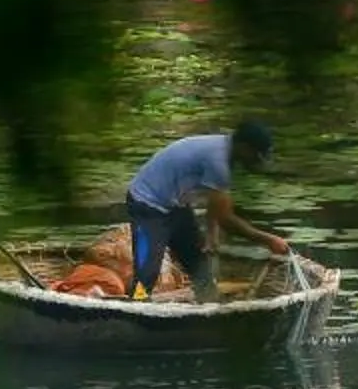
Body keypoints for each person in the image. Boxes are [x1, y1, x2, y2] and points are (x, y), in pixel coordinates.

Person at [122, 119, 289, 302]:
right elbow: (226, 219)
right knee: (146, 273)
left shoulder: (225, 150)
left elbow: (215, 202)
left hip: (176, 205)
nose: (256, 163)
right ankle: (137, 306)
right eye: (256, 156)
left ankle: (209, 303)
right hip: (147, 204)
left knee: (198, 264)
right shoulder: (218, 162)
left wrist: (211, 234)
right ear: (244, 147)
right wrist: (269, 240)